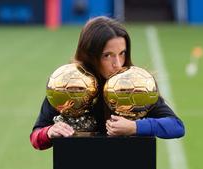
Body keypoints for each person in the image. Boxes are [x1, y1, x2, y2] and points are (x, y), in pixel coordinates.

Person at [30, 16, 185, 150]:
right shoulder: (68, 86)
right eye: (107, 55)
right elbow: (36, 138)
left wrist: (135, 127)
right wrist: (49, 132)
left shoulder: (136, 86)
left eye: (122, 53)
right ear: (89, 55)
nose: (117, 63)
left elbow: (176, 126)